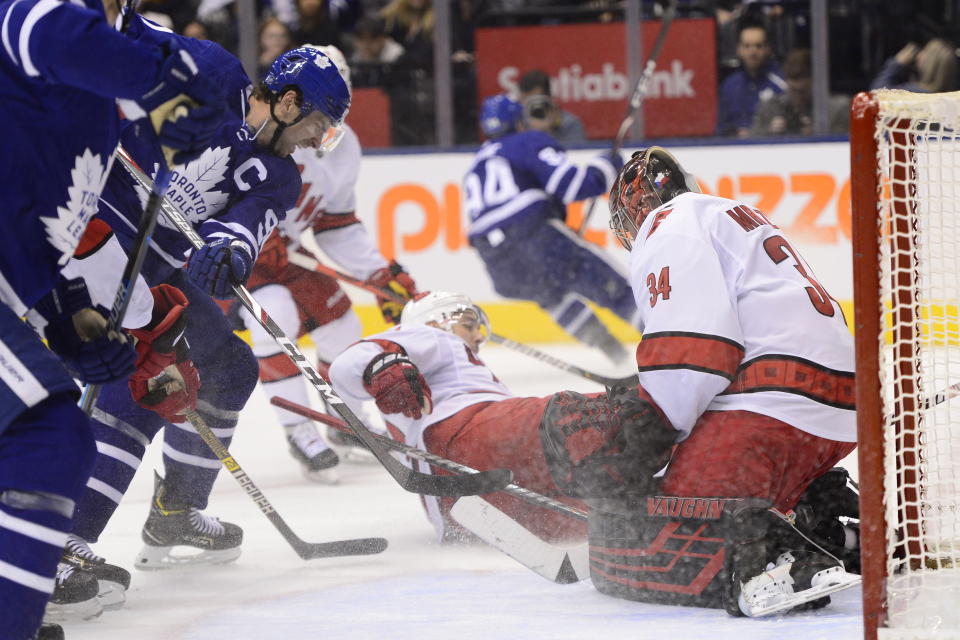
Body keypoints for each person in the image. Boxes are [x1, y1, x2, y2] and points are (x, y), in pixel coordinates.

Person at [59, 41, 350, 617]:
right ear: (288, 103)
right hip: (87, 235)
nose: (320, 141)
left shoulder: (280, 176)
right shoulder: (213, 74)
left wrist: (228, 249)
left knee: (229, 367)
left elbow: (247, 223)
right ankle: (66, 543)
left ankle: (175, 514)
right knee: (145, 382)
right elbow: (116, 29)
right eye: (319, 124)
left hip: (155, 263)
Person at [0, 0, 223, 635]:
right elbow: (51, 27)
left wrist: (68, 314)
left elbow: (44, 234)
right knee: (44, 439)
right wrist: (160, 77)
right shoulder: (31, 20)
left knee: (47, 437)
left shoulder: (98, 118)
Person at [583, 147, 858, 614]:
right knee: (737, 484)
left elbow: (695, 353)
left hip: (770, 410)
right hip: (834, 413)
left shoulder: (667, 223)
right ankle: (836, 527)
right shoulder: (728, 214)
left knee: (665, 528)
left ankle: (773, 555)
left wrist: (648, 434)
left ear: (634, 211)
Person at [237, 44, 418, 482]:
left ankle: (345, 423)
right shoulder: (265, 127)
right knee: (274, 314)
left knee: (343, 325)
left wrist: (378, 272)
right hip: (234, 260)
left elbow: (334, 224)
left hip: (286, 257)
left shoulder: (344, 144)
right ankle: (299, 431)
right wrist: (255, 232)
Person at [329, 291, 591, 544]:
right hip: (469, 437)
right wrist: (381, 366)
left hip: (466, 494)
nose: (478, 336)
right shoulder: (428, 335)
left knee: (598, 512)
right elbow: (346, 364)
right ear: (434, 321)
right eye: (469, 324)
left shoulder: (449, 361)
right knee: (606, 415)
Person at [465, 93, 635, 364]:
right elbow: (573, 186)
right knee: (611, 286)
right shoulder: (526, 141)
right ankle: (669, 339)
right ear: (520, 122)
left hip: (496, 262)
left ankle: (615, 355)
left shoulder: (476, 166)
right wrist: (605, 166)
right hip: (532, 237)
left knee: (553, 296)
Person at [749, 48, 850, 137]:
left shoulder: (836, 110)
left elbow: (843, 141)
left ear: (815, 82)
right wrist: (769, 132)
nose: (798, 97)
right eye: (793, 91)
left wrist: (819, 134)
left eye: (802, 92)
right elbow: (751, 140)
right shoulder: (771, 108)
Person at [715, 22, 785, 138]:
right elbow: (721, 128)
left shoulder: (781, 82)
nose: (753, 52)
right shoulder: (729, 85)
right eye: (747, 46)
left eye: (758, 46)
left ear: (768, 49)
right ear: (739, 49)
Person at [517, 69, 586, 144]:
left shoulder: (570, 124)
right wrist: (523, 135)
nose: (533, 107)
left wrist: (549, 131)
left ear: (548, 98)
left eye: (536, 101)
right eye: (527, 101)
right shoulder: (516, 123)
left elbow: (576, 153)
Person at [870, 38, 959, 94]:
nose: (919, 55)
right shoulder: (948, 96)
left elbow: (876, 92)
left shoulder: (916, 93)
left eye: (925, 51)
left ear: (932, 63)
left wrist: (897, 63)